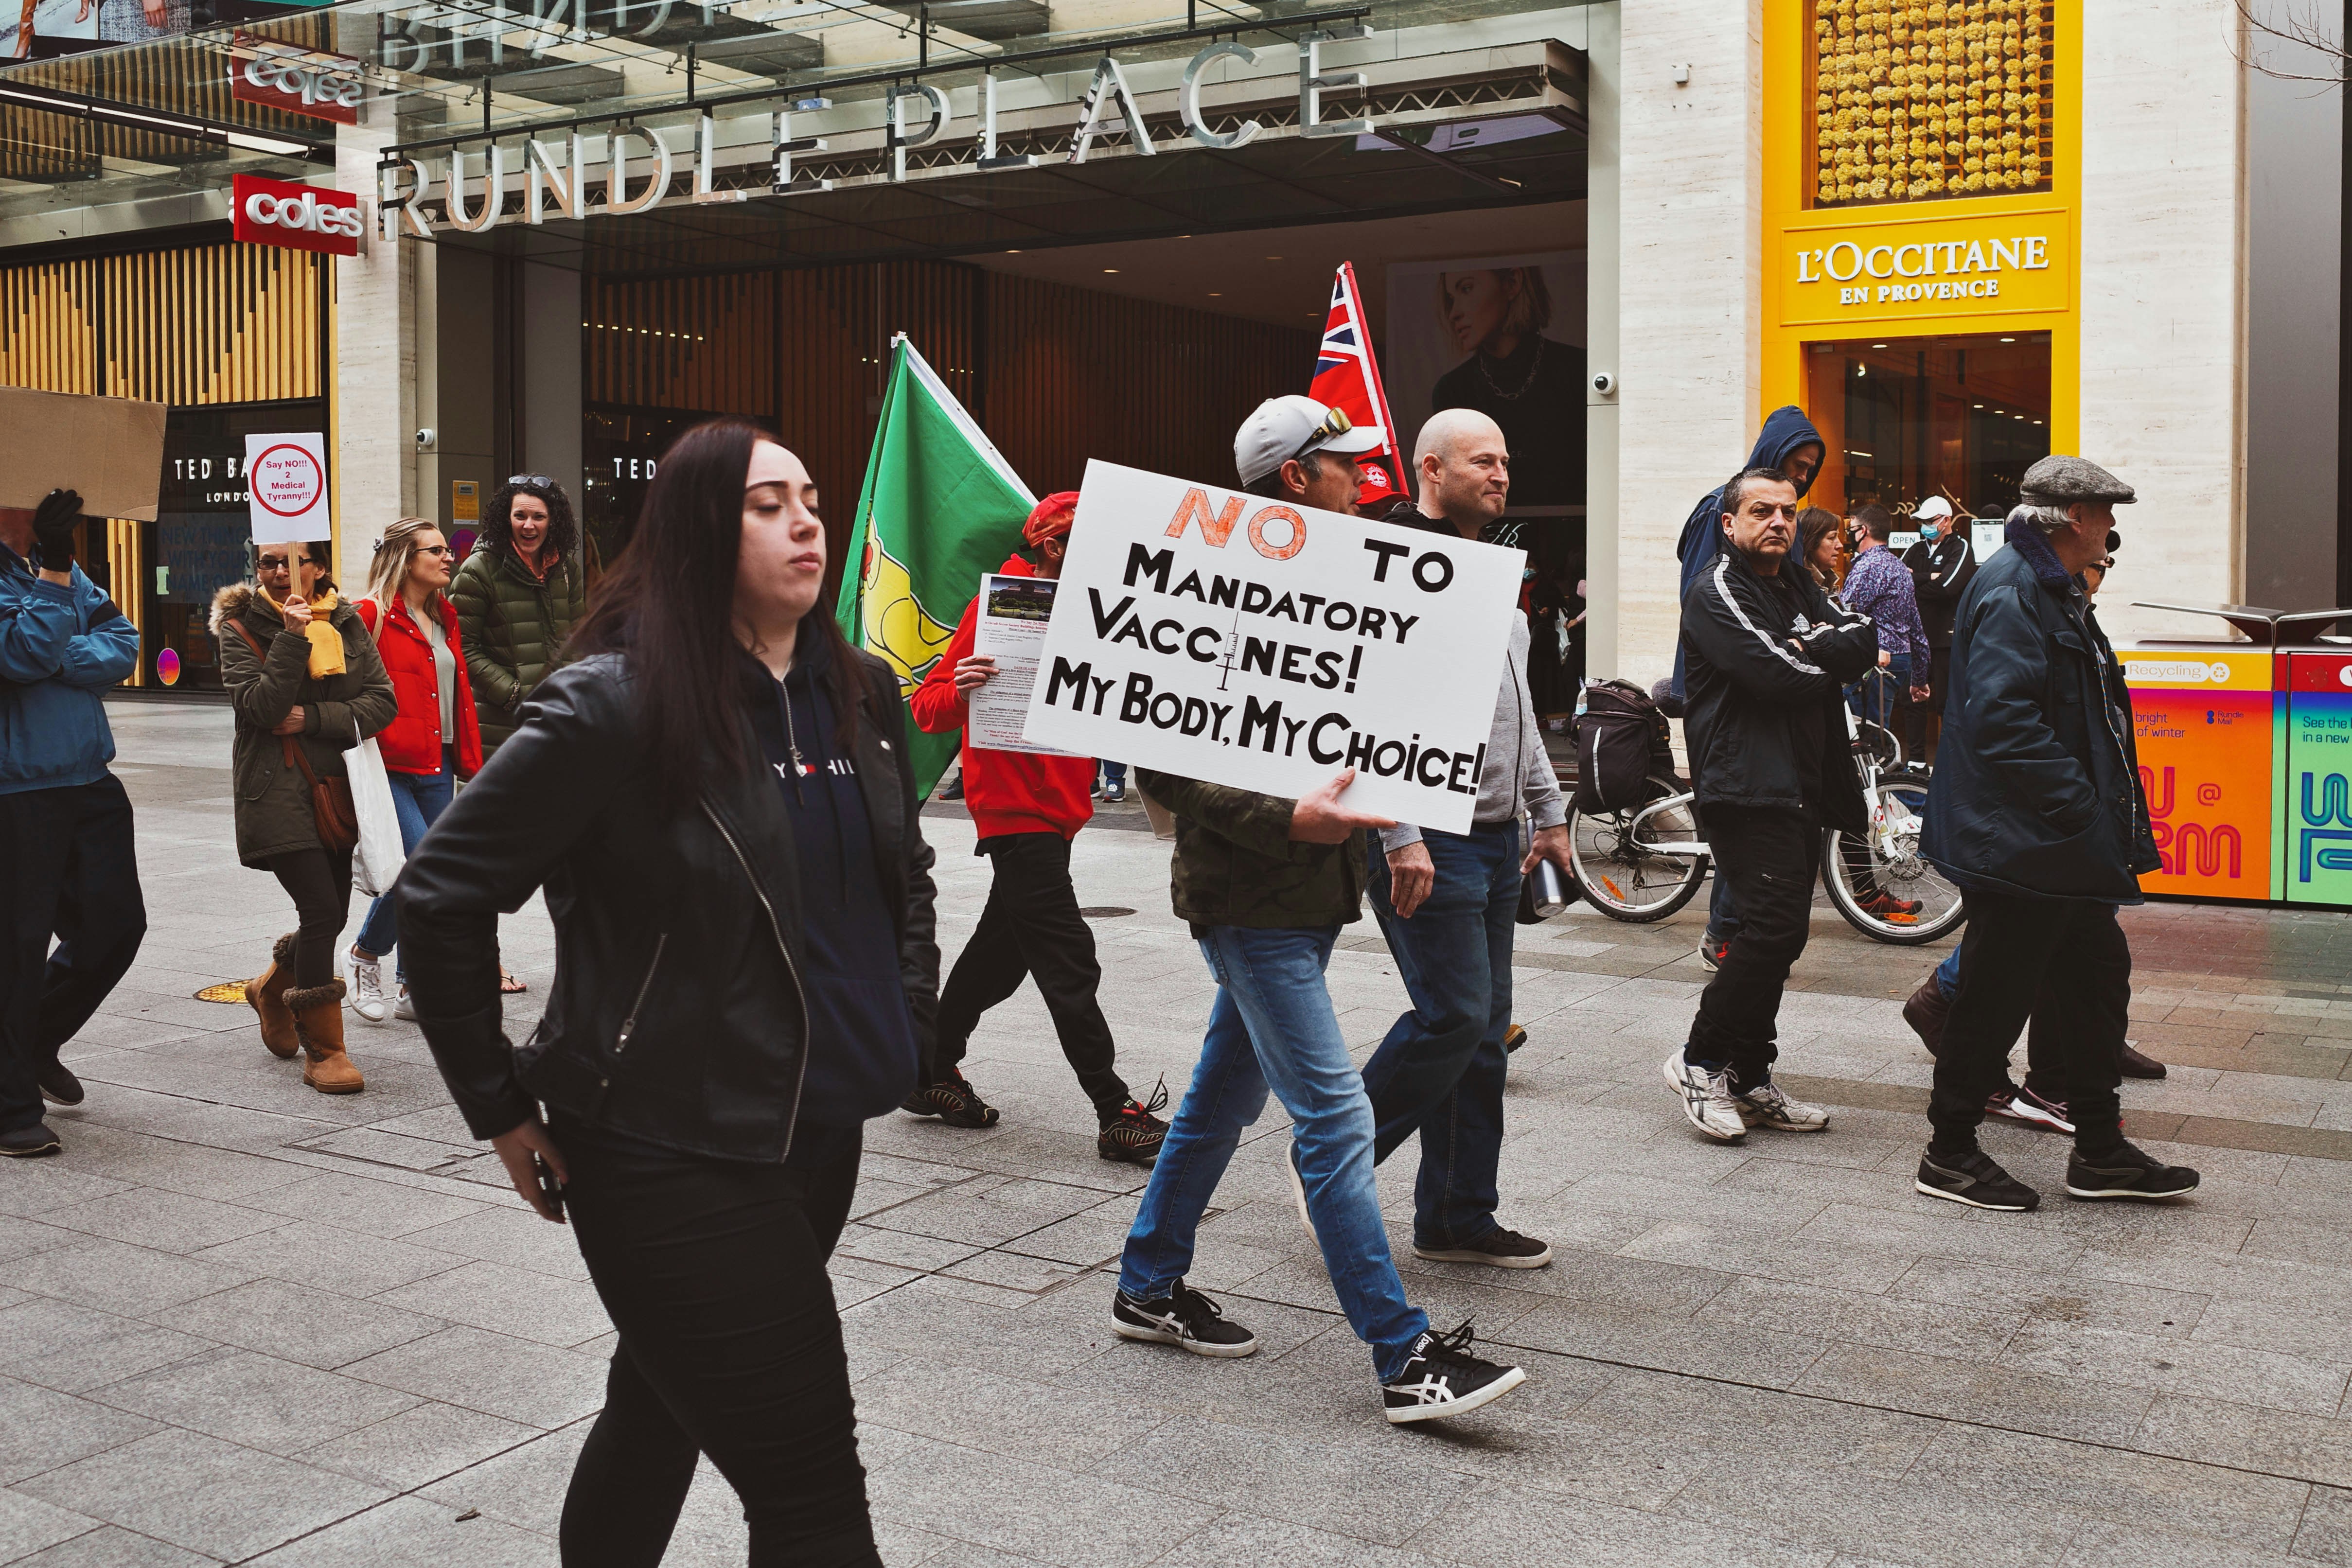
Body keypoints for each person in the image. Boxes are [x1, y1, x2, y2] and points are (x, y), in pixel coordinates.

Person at [400, 419, 941, 1564]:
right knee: (812, 1494)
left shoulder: (859, 687)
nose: (805, 519)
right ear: (699, 528)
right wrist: (499, 1106)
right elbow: (441, 894)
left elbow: (905, 874)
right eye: (764, 503)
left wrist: (906, 1012)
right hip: (664, 1141)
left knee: (657, 1409)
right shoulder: (616, 703)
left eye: (809, 495)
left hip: (815, 1128)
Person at [1112, 396, 1527, 1426]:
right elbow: (1163, 756)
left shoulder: (1335, 582)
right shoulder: (1221, 587)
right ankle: (1403, 1355)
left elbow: (1370, 724)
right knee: (1336, 1120)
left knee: (1216, 1103)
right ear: (1296, 478)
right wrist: (1284, 815)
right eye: (1344, 465)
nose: (1362, 480)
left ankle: (1146, 1283)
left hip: (1301, 899)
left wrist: (1392, 825)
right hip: (1249, 900)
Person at [1914, 457, 2197, 1212]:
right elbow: (2005, 720)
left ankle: (2099, 1150)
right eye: (2106, 514)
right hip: (2022, 844)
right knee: (1993, 999)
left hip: (2055, 845)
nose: (2111, 529)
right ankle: (1948, 1153)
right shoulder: (2015, 590)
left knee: (2095, 985)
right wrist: (2081, 806)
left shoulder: (2050, 587)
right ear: (2074, 517)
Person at [1360, 408, 1571, 1268]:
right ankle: (1329, 1162)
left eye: (1506, 460)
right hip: (1426, 838)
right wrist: (1398, 831)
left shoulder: (1491, 570)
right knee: (1452, 1016)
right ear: (1429, 468)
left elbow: (1510, 706)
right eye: (1481, 461)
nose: (1501, 474)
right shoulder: (1390, 562)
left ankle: (1455, 1215)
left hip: (1491, 836)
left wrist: (1548, 809)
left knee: (1482, 1032)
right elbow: (1363, 701)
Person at [903, 492, 1167, 1162]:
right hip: (1015, 815)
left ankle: (930, 1070)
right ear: (1053, 548)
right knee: (1067, 957)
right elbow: (928, 708)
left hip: (1059, 813)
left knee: (1000, 957)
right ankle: (1115, 1111)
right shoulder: (994, 609)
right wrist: (959, 686)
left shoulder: (1096, 611)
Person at [1664, 467, 1875, 1143]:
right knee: (1771, 931)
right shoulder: (1716, 588)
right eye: (1762, 511)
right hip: (1744, 782)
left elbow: (1862, 637)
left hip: (1798, 778)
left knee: (1780, 933)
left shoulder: (1796, 583)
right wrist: (1818, 651)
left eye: (1788, 511)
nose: (1779, 522)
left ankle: (1750, 1076)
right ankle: (1698, 1061)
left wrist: (1812, 645)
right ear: (1730, 524)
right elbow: (1779, 676)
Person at [213, 539, 395, 1096]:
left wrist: (314, 717)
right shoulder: (239, 627)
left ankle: (272, 989)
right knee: (320, 910)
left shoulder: (345, 620)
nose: (276, 571)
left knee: (332, 915)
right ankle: (326, 1051)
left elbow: (381, 701)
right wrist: (292, 638)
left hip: (335, 790)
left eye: (291, 561)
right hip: (274, 790)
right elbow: (262, 709)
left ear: (317, 567)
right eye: (266, 561)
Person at [0, 489, 142, 1157]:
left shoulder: (54, 567)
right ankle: (9, 1106)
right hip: (20, 786)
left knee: (117, 925)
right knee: (18, 948)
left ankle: (32, 1043)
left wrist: (56, 647)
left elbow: (122, 643)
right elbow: (22, 653)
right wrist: (56, 586)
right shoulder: (53, 569)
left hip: (89, 777)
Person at [1672, 407, 1826, 971]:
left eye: (1809, 473)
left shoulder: (1783, 526)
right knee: (1749, 813)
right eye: (1795, 463)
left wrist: (1812, 646)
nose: (1802, 479)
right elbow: (1704, 601)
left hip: (1774, 692)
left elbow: (1819, 615)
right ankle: (1727, 937)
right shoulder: (1720, 511)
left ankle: (1743, 940)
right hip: (1730, 689)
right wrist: (1803, 653)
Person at [451, 475, 587, 996]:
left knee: (570, 849)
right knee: (491, 855)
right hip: (500, 729)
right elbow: (464, 649)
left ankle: (581, 955)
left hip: (560, 727)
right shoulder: (480, 570)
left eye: (538, 516)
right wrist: (515, 694)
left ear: (553, 520)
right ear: (504, 518)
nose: (529, 526)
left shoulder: (564, 570)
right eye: (520, 516)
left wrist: (580, 693)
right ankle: (484, 960)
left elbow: (578, 639)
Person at [346, 519, 484, 1024]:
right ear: (406, 558)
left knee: (434, 876)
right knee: (415, 871)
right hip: (389, 764)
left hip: (438, 760)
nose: (449, 558)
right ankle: (364, 954)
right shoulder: (369, 615)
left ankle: (411, 985)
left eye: (449, 550)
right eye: (437, 550)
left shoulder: (445, 617)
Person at [1427, 266, 1585, 511]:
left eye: (1466, 289)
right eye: (1451, 299)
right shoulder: (1453, 390)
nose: (1454, 313)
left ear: (1512, 283)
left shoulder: (1578, 372)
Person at [1840, 505, 1932, 760]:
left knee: (1867, 738)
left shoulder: (1868, 567)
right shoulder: (1900, 567)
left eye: (1851, 529)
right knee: (1878, 730)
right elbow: (1915, 624)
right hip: (1900, 658)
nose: (1848, 535)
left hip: (1875, 660)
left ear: (1863, 531)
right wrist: (1920, 677)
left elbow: (1845, 616)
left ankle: (1877, 790)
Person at [1901, 495, 1976, 750]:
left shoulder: (1961, 547)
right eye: (1921, 521)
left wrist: (1917, 580)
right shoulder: (1916, 549)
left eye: (1930, 520)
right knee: (1914, 701)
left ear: (1946, 521)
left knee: (1947, 702)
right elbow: (1899, 583)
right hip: (1916, 638)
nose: (1925, 526)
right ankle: (1916, 760)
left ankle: (1950, 759)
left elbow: (1947, 588)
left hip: (1946, 639)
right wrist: (1929, 576)